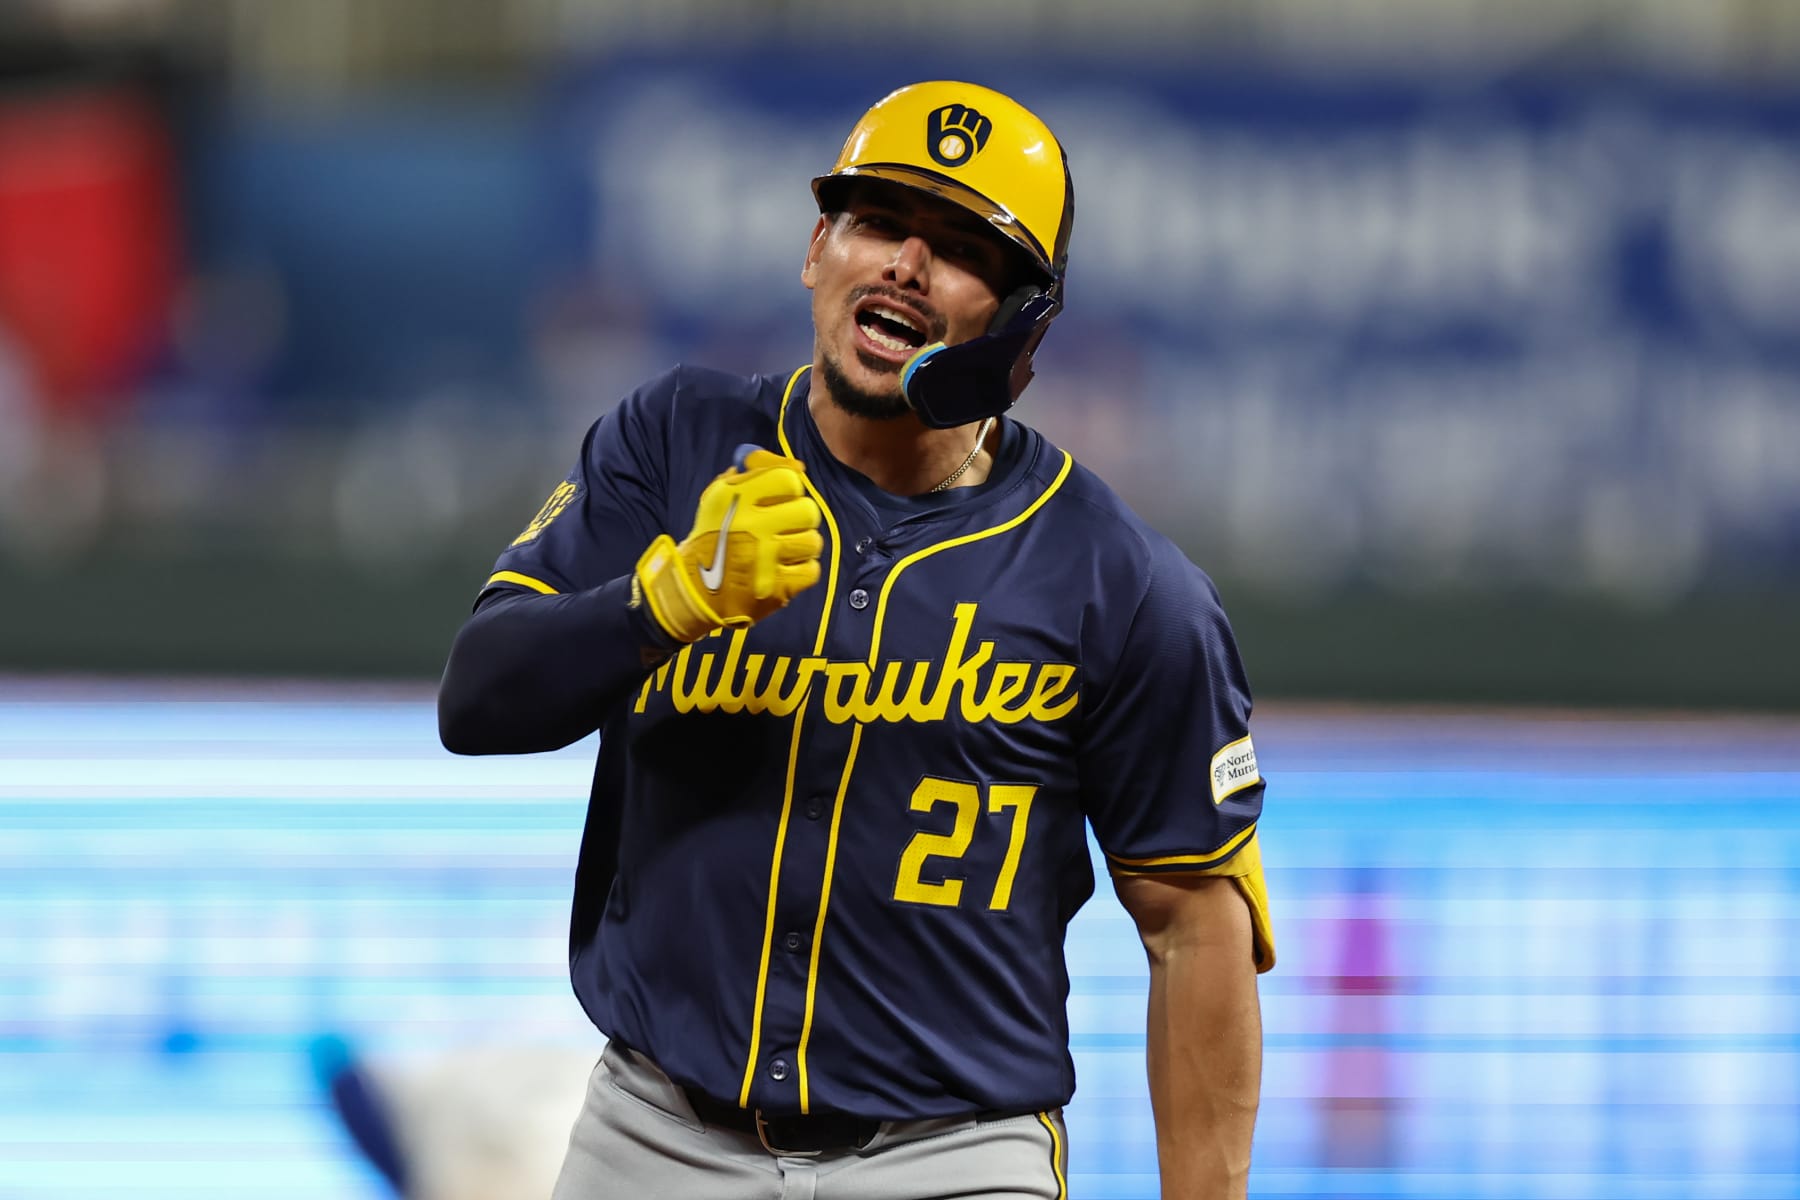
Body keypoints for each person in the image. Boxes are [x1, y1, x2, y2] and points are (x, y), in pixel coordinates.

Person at [438, 80, 1275, 1200]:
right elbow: (478, 701)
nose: (904, 266)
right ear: (817, 248)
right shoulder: (680, 442)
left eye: (961, 247)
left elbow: (1193, 929)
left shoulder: (1120, 583)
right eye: (878, 222)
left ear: (1026, 322)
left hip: (953, 1154)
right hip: (654, 1134)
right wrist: (664, 602)